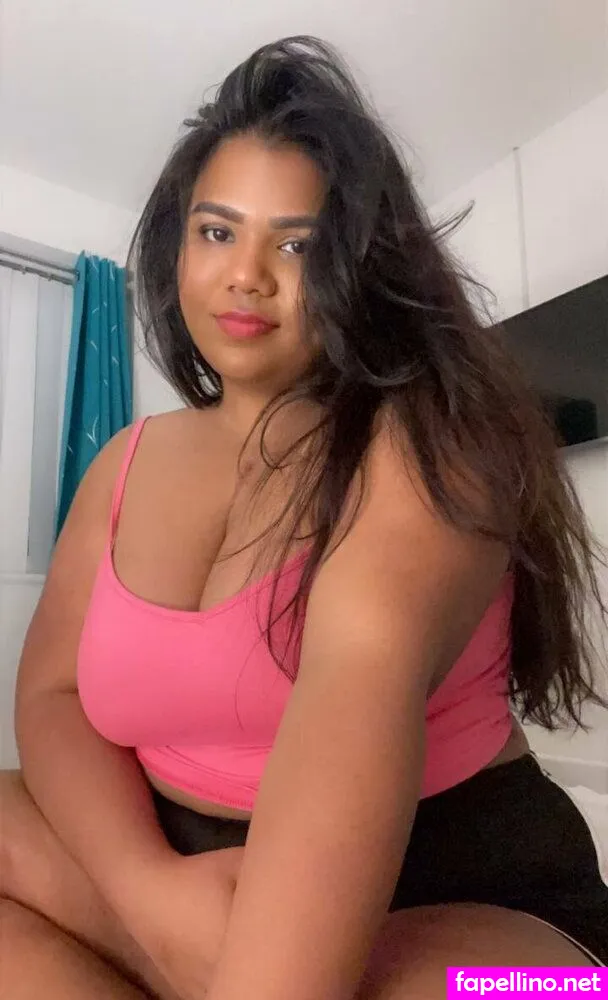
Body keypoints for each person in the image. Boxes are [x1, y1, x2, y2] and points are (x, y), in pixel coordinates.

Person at [1, 35, 607, 1000]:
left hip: (459, 896)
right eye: (217, 232)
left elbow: (349, 706)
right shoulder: (120, 465)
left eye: (297, 243)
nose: (247, 274)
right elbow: (52, 695)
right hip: (179, 873)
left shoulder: (431, 445)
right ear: (176, 247)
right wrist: (151, 893)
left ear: (361, 267)